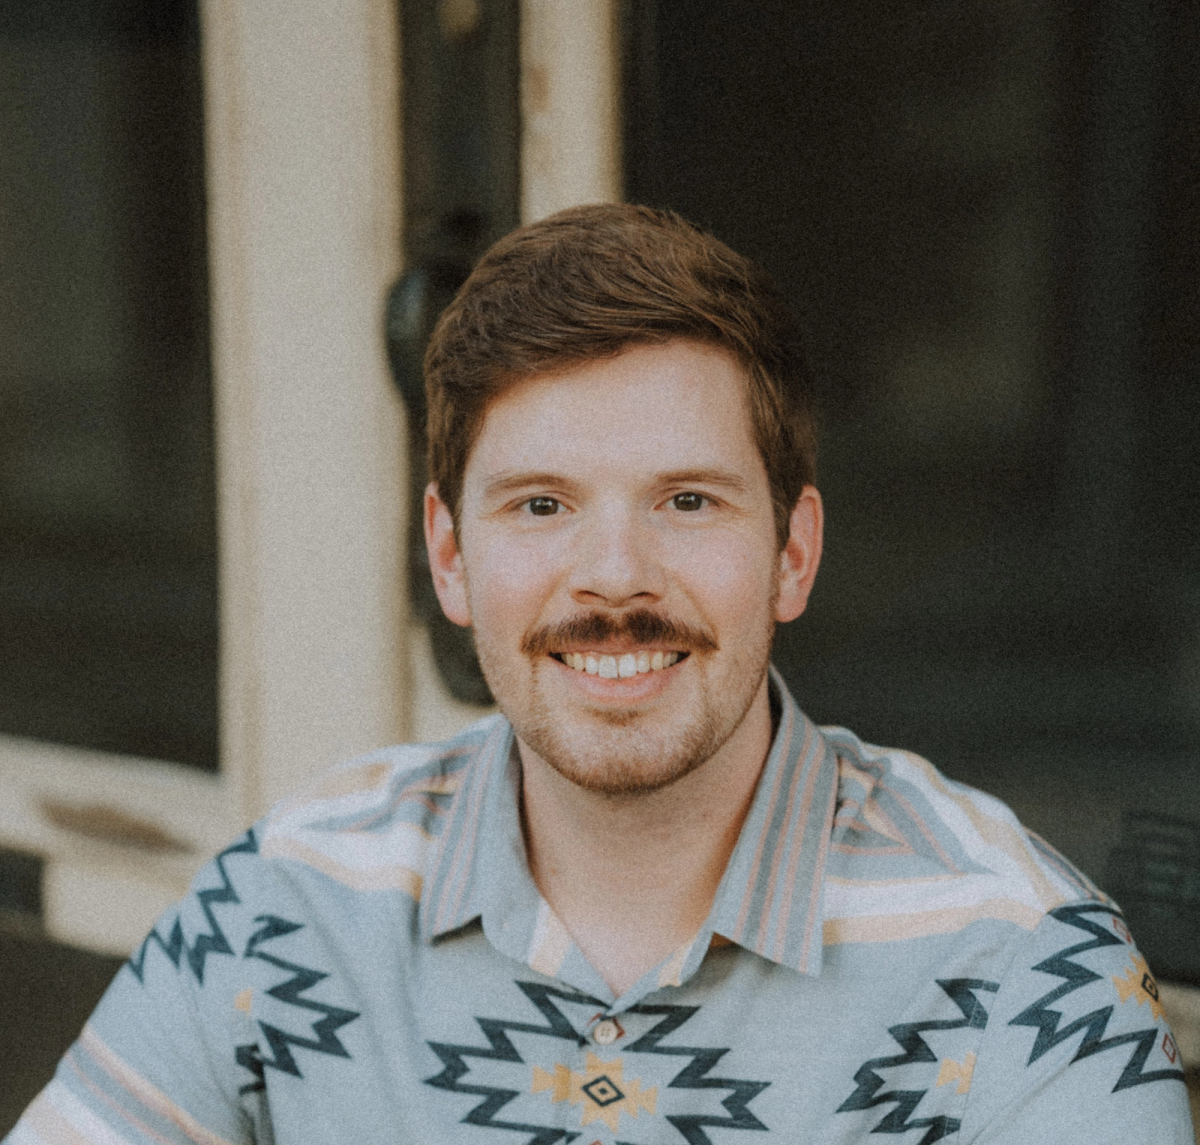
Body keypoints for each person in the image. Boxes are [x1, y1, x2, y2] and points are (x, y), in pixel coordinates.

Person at [8, 204, 1192, 1145]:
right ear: (451, 555)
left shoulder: (1019, 959)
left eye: (687, 500)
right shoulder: (297, 899)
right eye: (541, 505)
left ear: (793, 549)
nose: (613, 577)